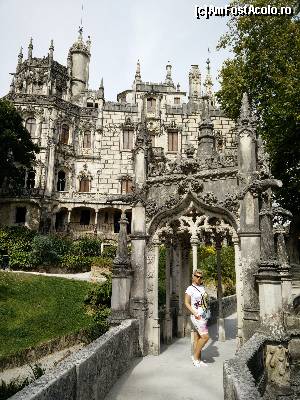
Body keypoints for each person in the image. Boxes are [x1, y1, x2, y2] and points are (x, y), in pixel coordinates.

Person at [185, 269, 210, 367]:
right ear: (193, 276)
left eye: (201, 277)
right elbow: (186, 303)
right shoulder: (190, 289)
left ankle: (199, 360)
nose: (199, 278)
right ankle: (195, 357)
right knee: (205, 337)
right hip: (197, 317)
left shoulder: (202, 287)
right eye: (197, 276)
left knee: (198, 337)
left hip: (204, 315)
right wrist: (195, 313)